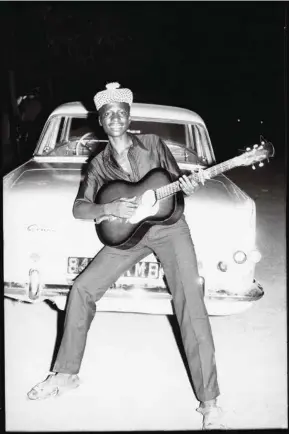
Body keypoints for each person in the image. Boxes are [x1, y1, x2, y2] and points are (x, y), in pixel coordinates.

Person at [27, 83, 226, 430]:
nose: (115, 117)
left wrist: (189, 185)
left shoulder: (153, 144)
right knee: (82, 289)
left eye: (121, 112)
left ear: (128, 117)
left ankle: (209, 402)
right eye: (108, 114)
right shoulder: (98, 164)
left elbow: (175, 182)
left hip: (170, 230)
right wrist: (109, 207)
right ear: (101, 122)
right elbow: (79, 208)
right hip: (127, 237)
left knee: (190, 302)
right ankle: (64, 375)